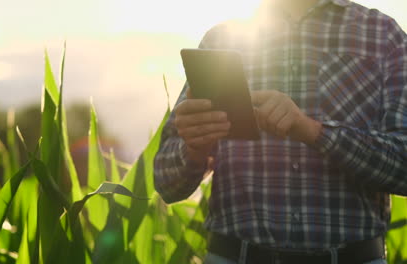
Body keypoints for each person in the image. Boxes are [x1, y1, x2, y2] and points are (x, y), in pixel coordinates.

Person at [154, 0, 407, 263]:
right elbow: (166, 183)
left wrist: (313, 131)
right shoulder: (221, 40)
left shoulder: (383, 36)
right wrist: (195, 148)